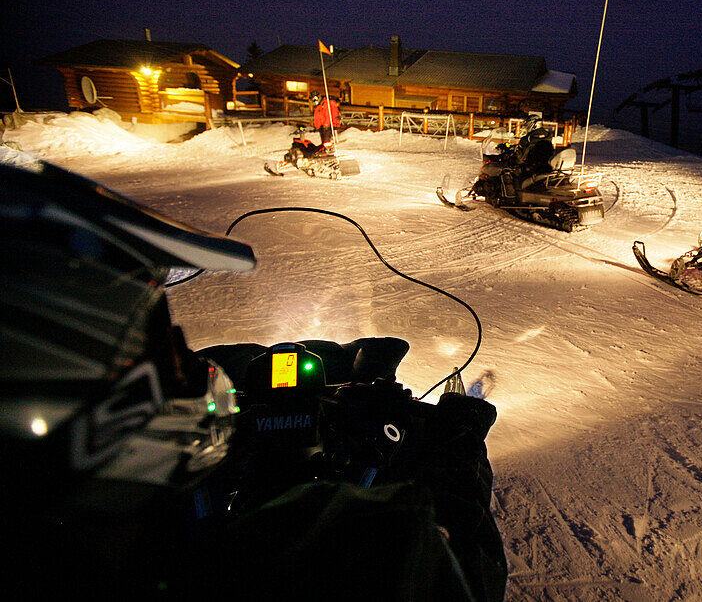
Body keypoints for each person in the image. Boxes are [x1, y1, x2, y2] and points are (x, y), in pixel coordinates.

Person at [0, 158, 506, 600]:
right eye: (153, 341)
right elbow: (466, 570)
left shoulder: (101, 551)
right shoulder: (346, 562)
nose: (190, 360)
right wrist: (458, 451)